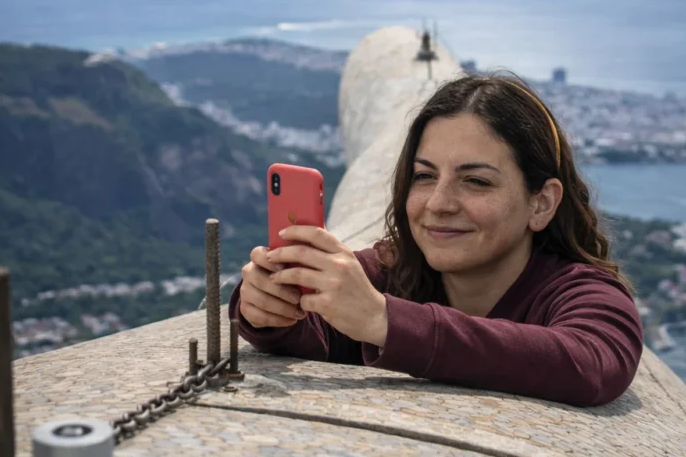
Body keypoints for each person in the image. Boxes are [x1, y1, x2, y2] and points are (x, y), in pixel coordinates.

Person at [228, 75, 644, 407]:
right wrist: (265, 308)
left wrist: (384, 320)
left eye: (476, 181)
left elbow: (591, 362)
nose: (439, 204)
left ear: (542, 203)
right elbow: (314, 337)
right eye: (425, 176)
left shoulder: (584, 293)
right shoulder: (391, 269)